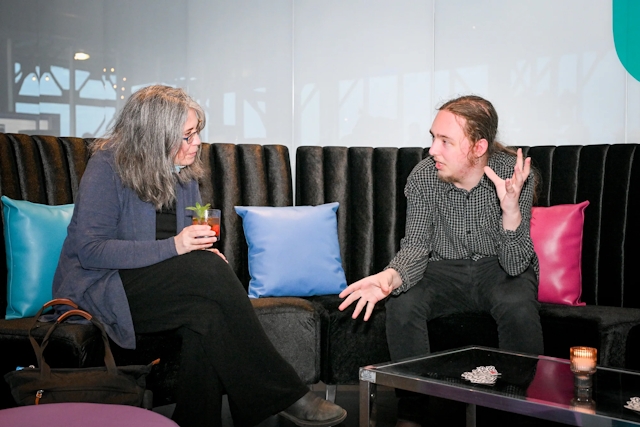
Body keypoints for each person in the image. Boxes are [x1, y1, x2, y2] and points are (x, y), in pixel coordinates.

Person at [52, 85, 347, 427]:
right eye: (187, 136)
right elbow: (91, 251)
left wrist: (200, 255)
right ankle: (285, 393)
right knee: (204, 281)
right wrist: (178, 248)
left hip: (157, 288)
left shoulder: (184, 172)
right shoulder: (107, 165)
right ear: (155, 138)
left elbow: (184, 247)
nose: (197, 144)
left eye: (197, 133)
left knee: (205, 316)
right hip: (101, 290)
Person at [338, 95, 543, 426]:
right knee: (403, 305)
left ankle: (515, 412)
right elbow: (417, 246)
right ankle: (413, 412)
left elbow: (516, 265)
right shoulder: (423, 177)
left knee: (518, 305)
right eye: (433, 138)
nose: (433, 149)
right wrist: (388, 279)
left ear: (478, 148)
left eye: (445, 141)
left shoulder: (513, 175)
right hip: (444, 270)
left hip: (499, 268)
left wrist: (511, 211)